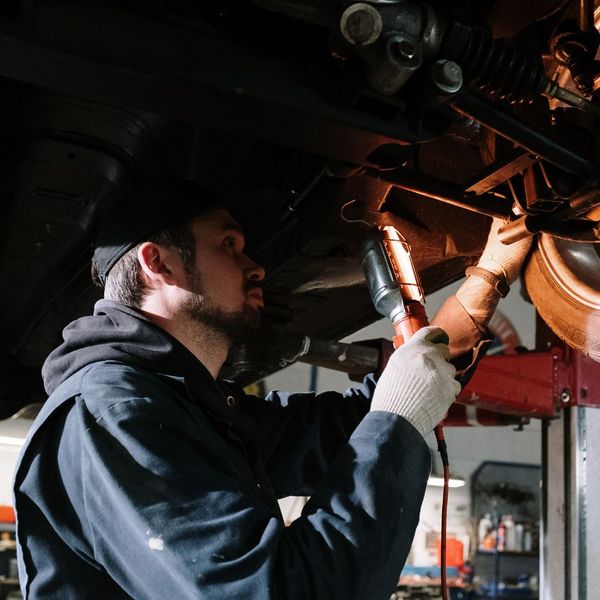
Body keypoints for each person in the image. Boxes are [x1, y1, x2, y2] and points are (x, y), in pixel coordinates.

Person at [13, 178, 530, 599]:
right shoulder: (111, 413)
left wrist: (487, 279)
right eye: (229, 244)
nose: (256, 265)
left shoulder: (189, 408)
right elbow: (277, 591)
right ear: (159, 263)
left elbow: (350, 426)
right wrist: (399, 420)